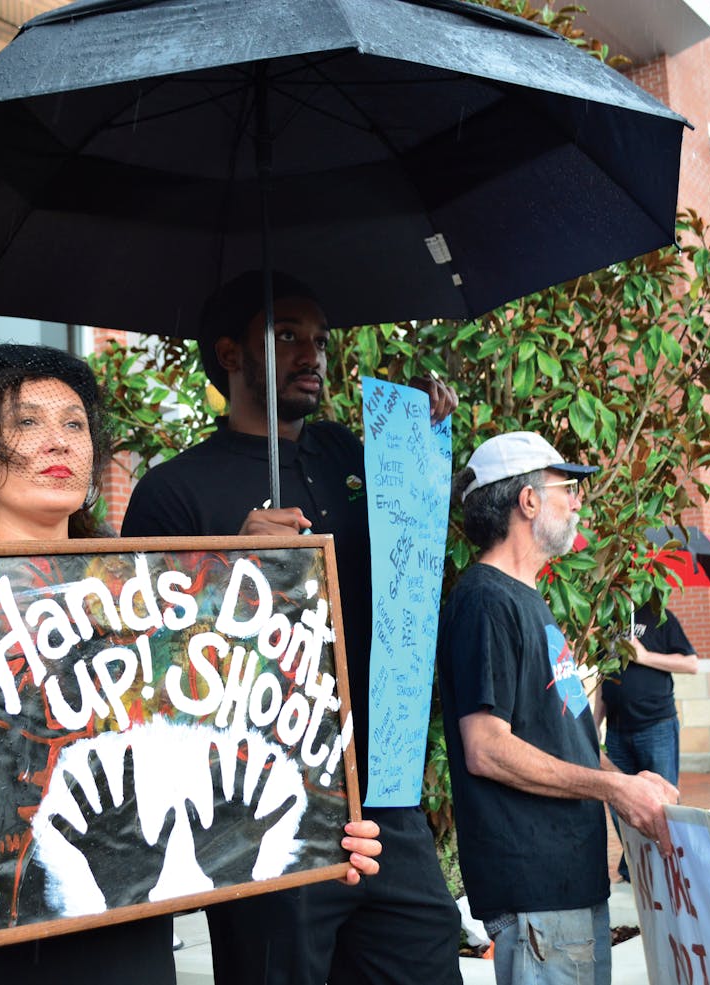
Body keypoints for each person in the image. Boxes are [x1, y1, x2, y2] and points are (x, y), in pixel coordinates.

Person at [0, 343, 379, 985]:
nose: (57, 442)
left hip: (130, 947)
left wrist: (315, 826)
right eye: (26, 423)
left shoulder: (140, 594)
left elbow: (232, 731)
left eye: (75, 424)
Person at [122, 271, 462, 985]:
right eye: (285, 337)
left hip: (383, 798)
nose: (311, 355)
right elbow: (148, 671)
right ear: (230, 354)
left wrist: (421, 438)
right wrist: (228, 567)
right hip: (260, 815)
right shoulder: (172, 492)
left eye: (319, 340)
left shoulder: (352, 456)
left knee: (427, 953)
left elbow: (412, 550)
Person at [437, 430, 681, 985]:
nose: (577, 502)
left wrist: (630, 782)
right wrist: (614, 791)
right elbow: (486, 748)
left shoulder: (530, 602)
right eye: (567, 488)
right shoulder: (485, 601)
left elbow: (572, 739)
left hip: (570, 883)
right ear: (527, 501)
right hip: (534, 890)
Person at [594, 599, 698, 882]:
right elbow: (604, 677)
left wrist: (643, 656)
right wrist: (595, 721)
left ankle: (675, 865)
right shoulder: (608, 619)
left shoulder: (660, 617)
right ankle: (636, 865)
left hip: (657, 727)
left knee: (663, 803)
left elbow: (691, 663)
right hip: (616, 731)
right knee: (619, 802)